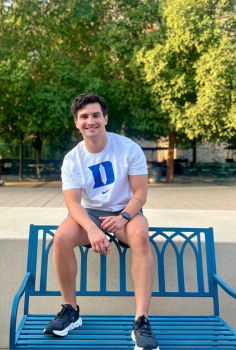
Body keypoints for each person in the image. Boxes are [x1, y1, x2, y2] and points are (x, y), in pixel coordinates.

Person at [43, 93, 159, 350]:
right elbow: (73, 203)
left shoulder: (129, 148)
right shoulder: (73, 159)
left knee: (140, 236)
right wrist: (92, 229)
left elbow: (140, 193)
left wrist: (124, 217)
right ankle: (71, 311)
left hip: (125, 212)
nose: (90, 121)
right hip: (90, 214)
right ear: (76, 122)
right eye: (84, 117)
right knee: (61, 237)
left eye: (96, 115)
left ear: (105, 118)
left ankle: (141, 320)